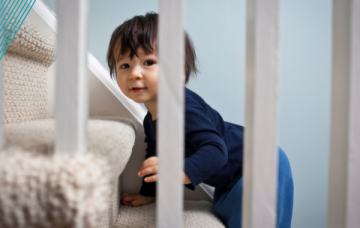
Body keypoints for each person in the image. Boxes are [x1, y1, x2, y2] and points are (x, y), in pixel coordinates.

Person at [106, 12, 294, 228]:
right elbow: (155, 156)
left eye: (148, 62)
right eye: (125, 66)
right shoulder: (151, 119)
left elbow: (215, 150)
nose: (134, 74)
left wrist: (179, 171)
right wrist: (149, 194)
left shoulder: (184, 108)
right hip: (231, 177)